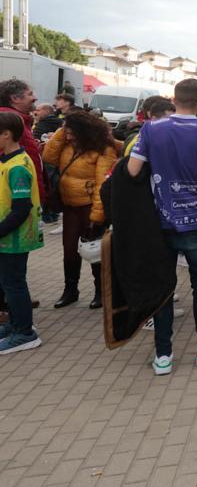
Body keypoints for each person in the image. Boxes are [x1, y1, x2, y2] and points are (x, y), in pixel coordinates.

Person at [128, 79, 197, 375]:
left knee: (164, 287)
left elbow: (134, 170)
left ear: (174, 100)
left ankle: (163, 356)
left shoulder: (151, 128)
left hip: (161, 219)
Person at [42, 111, 120, 309]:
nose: (68, 137)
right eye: (66, 133)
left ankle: (101, 292)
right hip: (70, 206)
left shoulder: (103, 149)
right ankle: (70, 290)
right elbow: (48, 156)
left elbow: (103, 183)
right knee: (69, 250)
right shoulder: (66, 145)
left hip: (89, 206)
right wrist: (62, 130)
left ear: (85, 132)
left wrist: (97, 215)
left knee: (94, 251)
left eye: (72, 133)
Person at [0, 111, 44, 355]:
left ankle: (25, 333)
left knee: (14, 283)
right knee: (8, 283)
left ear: (7, 135)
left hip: (14, 237)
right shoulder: (6, 160)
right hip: (6, 235)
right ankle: (15, 324)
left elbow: (20, 209)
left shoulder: (18, 166)